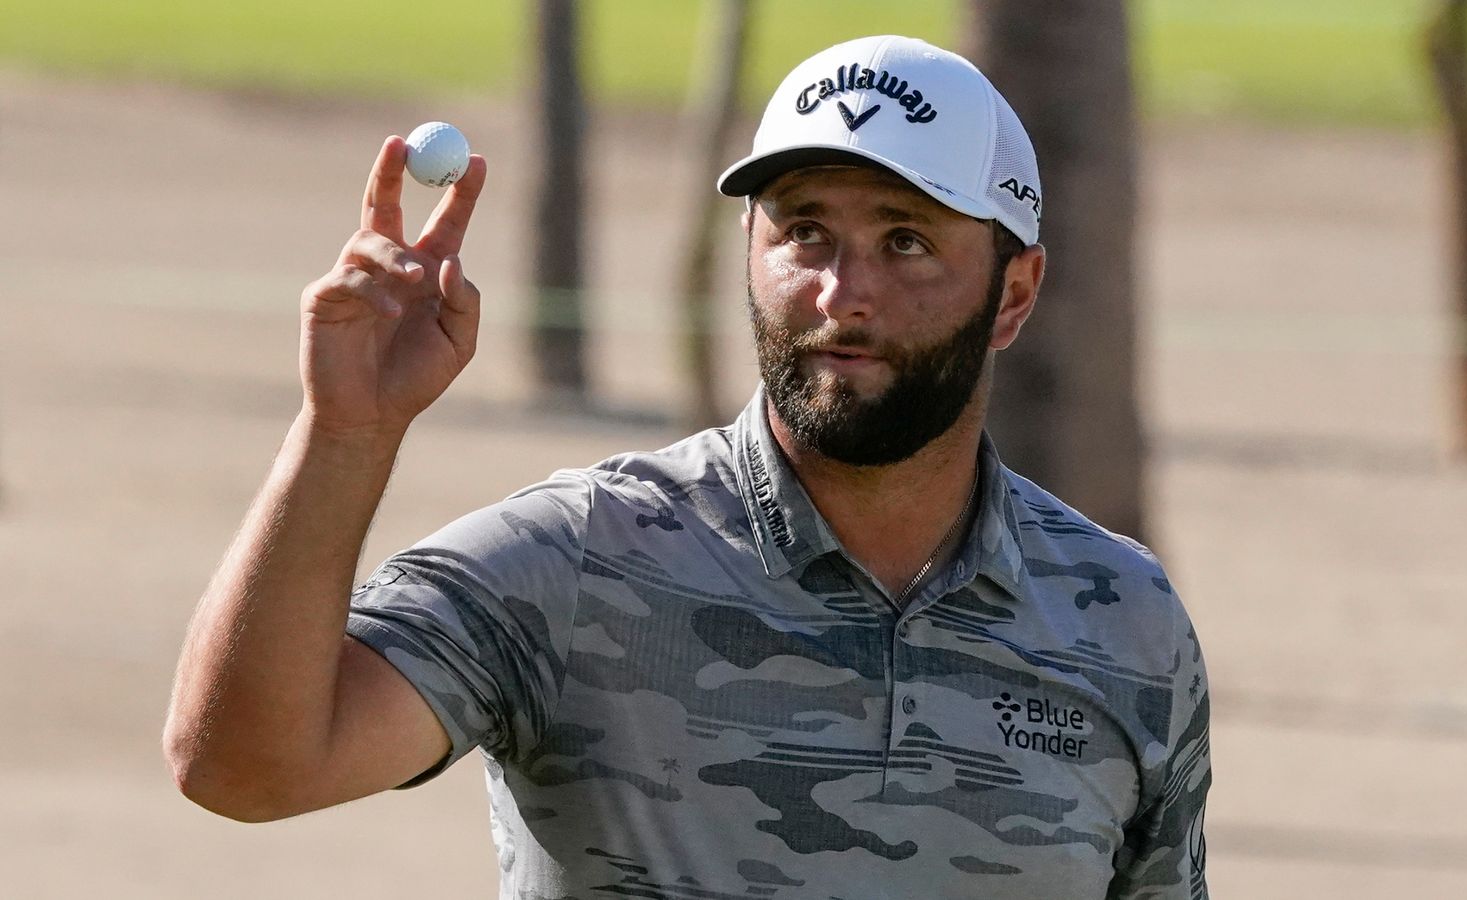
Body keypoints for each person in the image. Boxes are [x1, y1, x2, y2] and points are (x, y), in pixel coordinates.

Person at [164, 34, 1210, 900]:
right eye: (805, 232)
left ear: (1014, 293)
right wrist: (345, 434)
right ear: (750, 252)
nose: (842, 292)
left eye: (905, 241)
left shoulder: (1122, 617)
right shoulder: (573, 558)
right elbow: (245, 768)